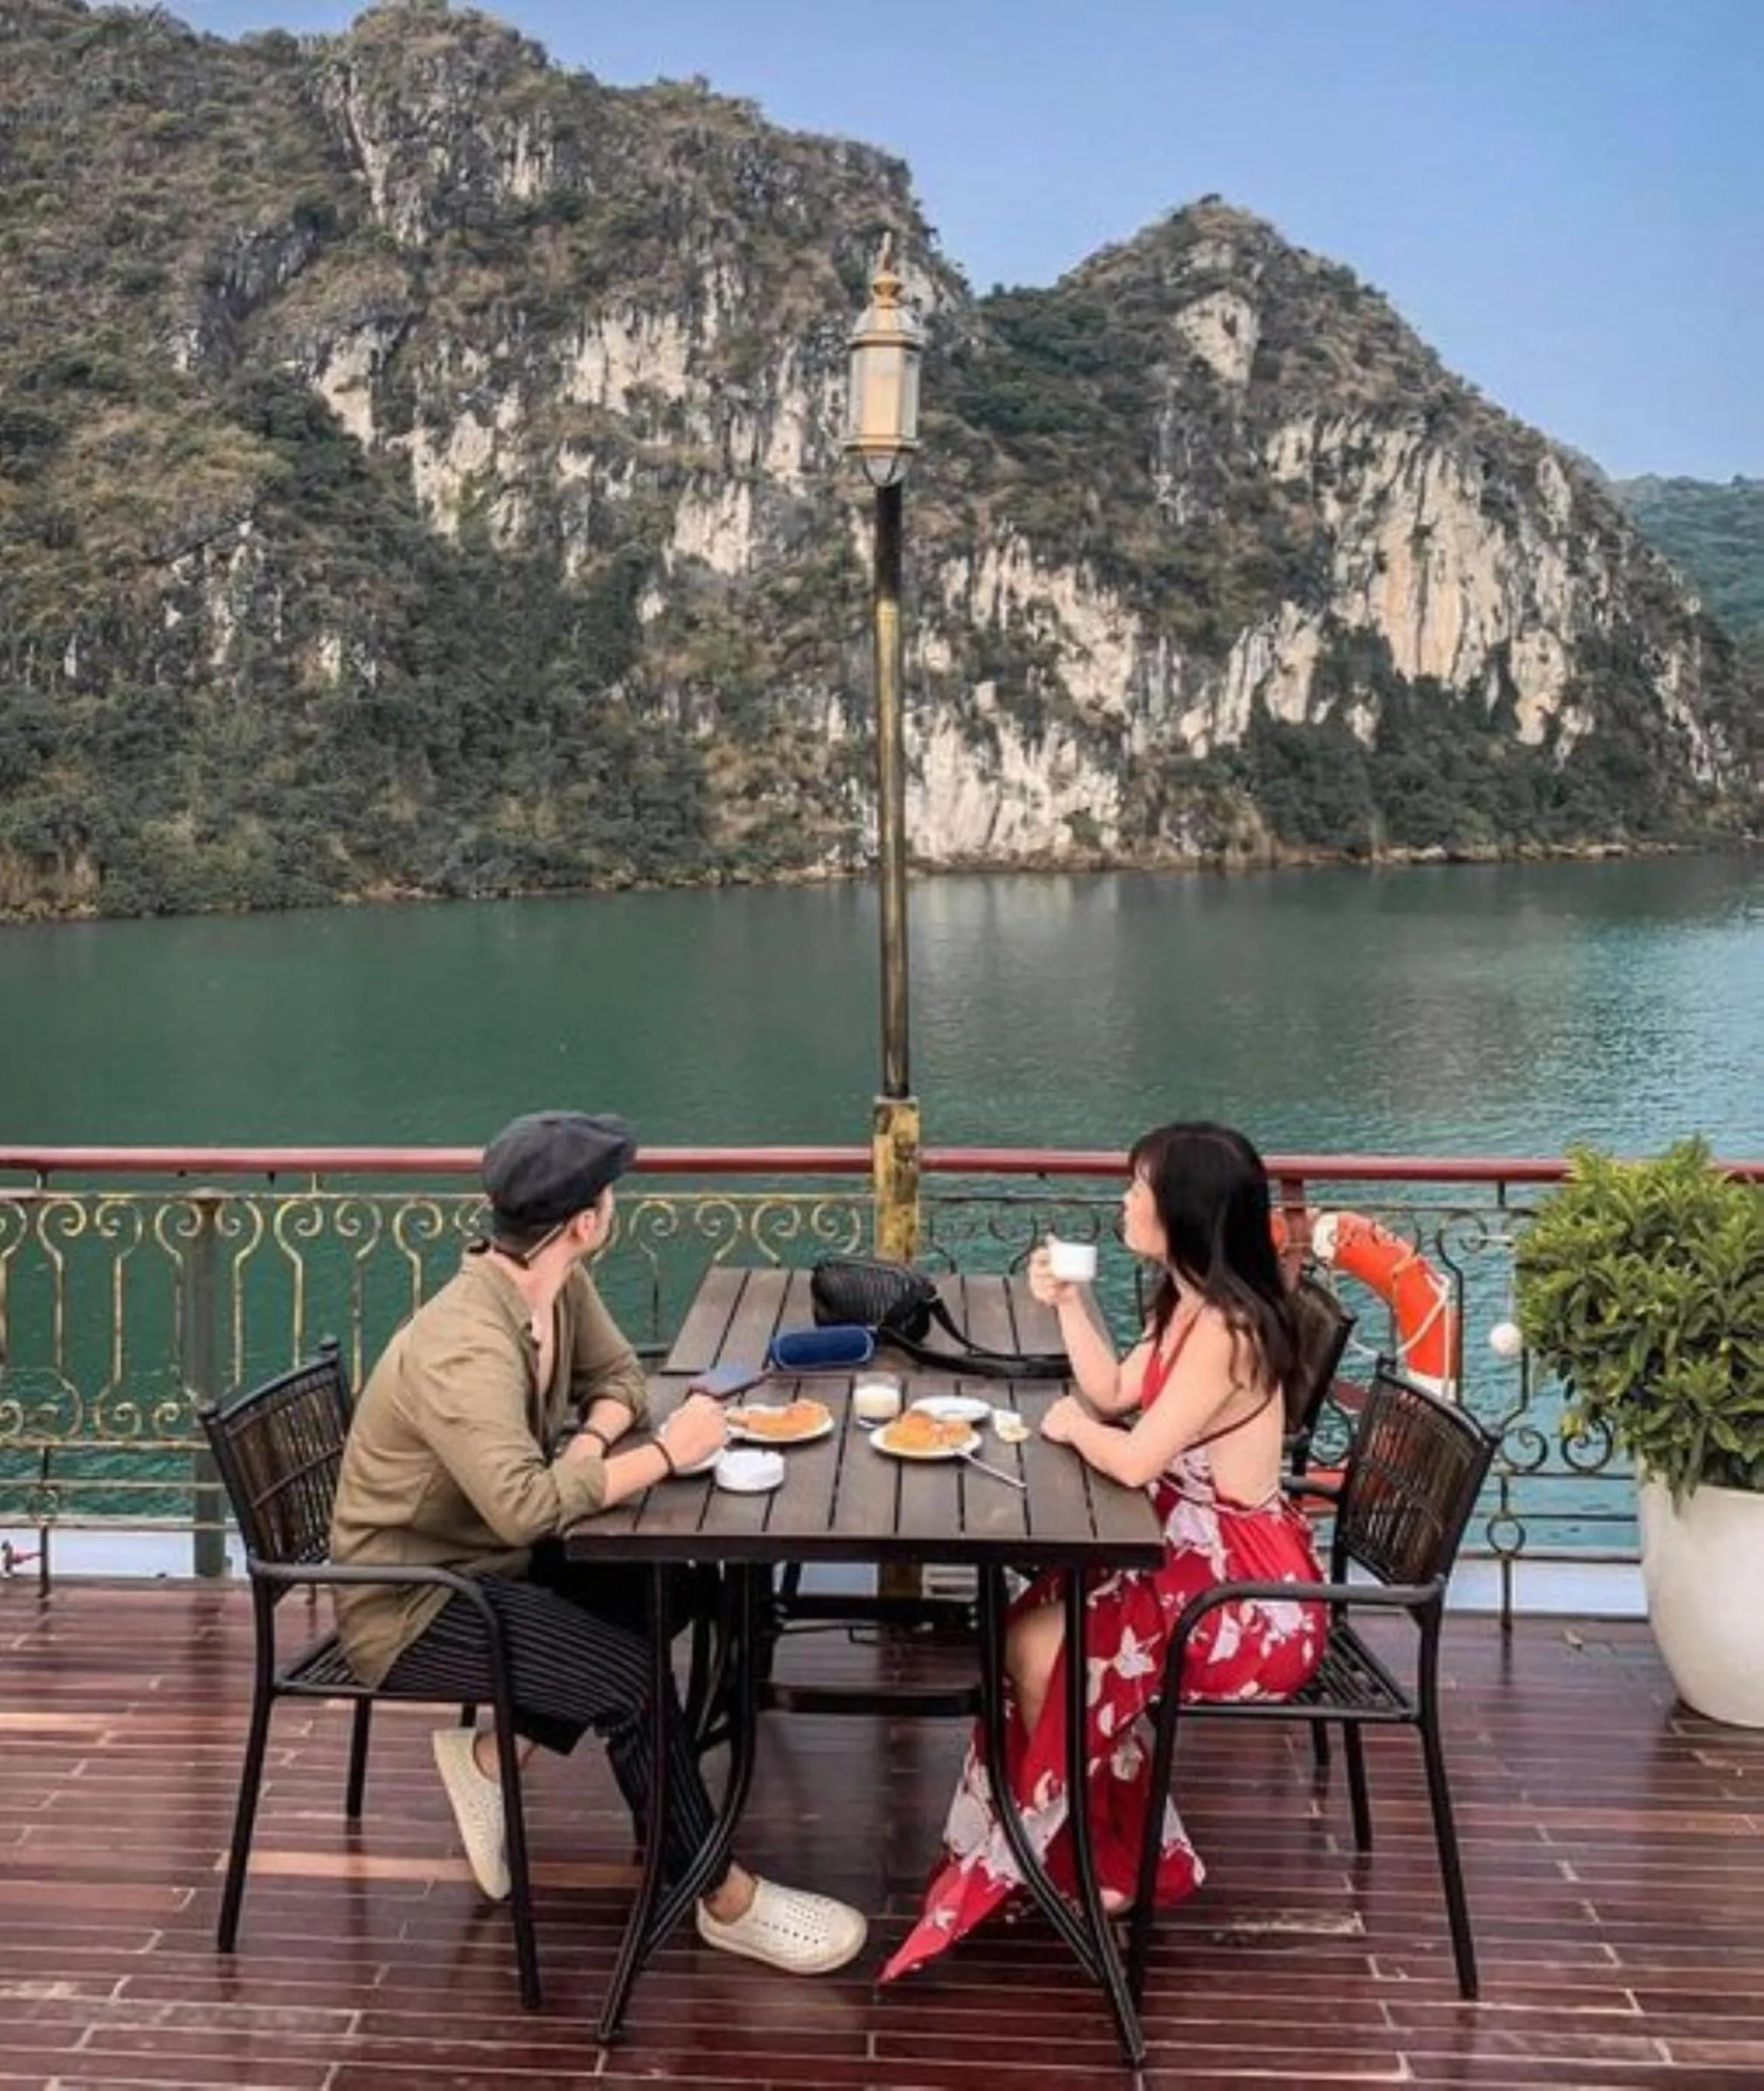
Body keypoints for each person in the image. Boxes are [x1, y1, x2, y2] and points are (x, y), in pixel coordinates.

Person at [330, 1107, 866, 1977]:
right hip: (414, 1603)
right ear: (585, 1221)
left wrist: (587, 1443)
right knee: (628, 1682)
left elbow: (618, 1378)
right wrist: (665, 1455)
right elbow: (521, 1509)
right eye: (610, 1195)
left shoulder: (552, 1286)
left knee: (677, 1587)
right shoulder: (466, 1345)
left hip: (489, 1559)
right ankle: (719, 1895)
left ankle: (494, 1759)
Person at [883, 1120, 1325, 1979]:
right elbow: (1115, 1390)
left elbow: (1128, 1454)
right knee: (1030, 1629)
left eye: (1137, 1189)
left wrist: (1070, 1427)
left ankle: (1096, 1861)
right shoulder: (1190, 1300)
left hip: (1244, 1599)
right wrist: (1067, 1304)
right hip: (1188, 1551)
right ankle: (1097, 1850)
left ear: (1183, 1210)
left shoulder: (1227, 1327)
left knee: (1038, 1644)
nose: (1124, 1201)